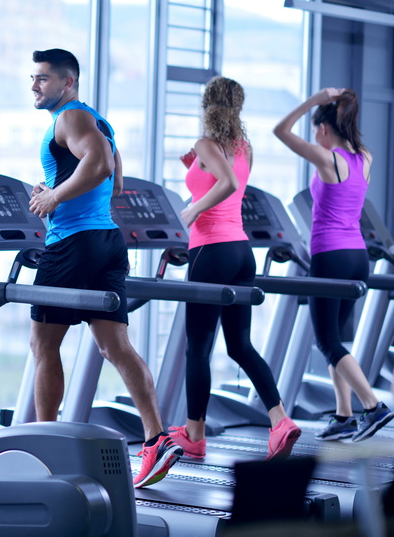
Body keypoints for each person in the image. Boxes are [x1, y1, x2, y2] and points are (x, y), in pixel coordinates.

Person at [27, 48, 181, 488]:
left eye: (42, 79)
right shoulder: (100, 122)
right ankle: (156, 436)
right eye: (33, 79)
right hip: (107, 241)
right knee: (116, 346)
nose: (35, 86)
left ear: (67, 83)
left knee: (43, 344)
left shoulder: (70, 118)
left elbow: (99, 165)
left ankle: (45, 445)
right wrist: (56, 189)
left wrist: (54, 199)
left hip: (72, 244)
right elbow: (115, 185)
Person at [169, 76, 301, 461]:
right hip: (241, 252)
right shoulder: (244, 147)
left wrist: (192, 209)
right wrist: (196, 169)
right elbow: (233, 179)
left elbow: (225, 184)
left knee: (198, 347)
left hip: (210, 249)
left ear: (206, 106)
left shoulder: (205, 143)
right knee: (240, 345)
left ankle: (194, 433)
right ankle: (279, 421)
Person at [274, 87, 392, 442]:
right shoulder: (364, 158)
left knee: (327, 341)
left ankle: (373, 406)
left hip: (330, 256)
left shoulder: (329, 159)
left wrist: (313, 101)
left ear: (324, 129)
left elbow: (280, 131)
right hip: (357, 257)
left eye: (315, 129)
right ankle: (343, 414)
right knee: (334, 340)